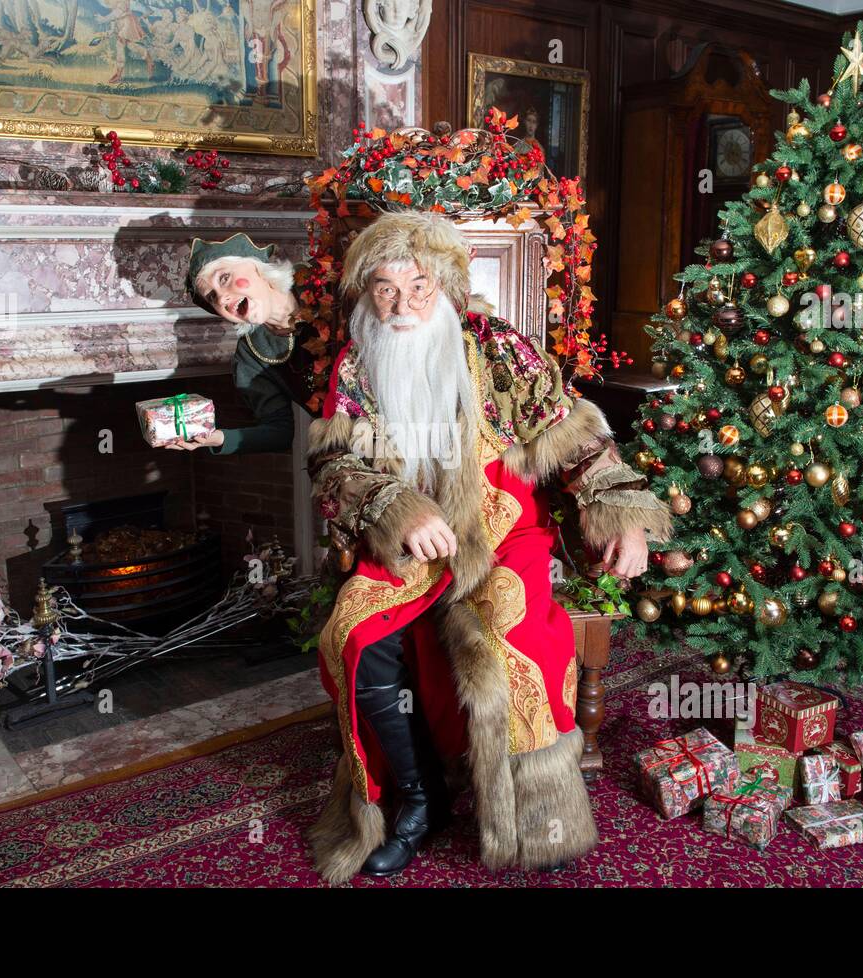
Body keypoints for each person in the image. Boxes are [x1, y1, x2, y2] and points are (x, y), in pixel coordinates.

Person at [304, 211, 672, 882]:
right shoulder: (356, 361)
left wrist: (620, 513)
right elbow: (335, 470)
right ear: (366, 292)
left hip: (504, 531)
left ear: (443, 282)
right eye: (384, 288)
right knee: (354, 636)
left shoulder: (494, 344)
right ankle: (418, 802)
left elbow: (574, 433)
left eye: (417, 286)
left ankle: (538, 818)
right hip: (411, 546)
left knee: (515, 635)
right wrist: (396, 508)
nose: (402, 305)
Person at [172, 233, 312, 456]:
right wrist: (217, 438)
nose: (221, 299)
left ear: (258, 268)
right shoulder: (250, 355)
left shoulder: (322, 283)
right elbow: (280, 431)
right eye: (211, 297)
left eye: (224, 278)